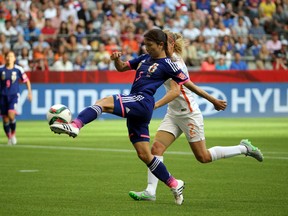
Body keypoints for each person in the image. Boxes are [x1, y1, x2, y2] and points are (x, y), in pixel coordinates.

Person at [49, 29, 227, 205]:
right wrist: (117, 60)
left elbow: (189, 85)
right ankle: (174, 183)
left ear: (161, 45)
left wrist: (213, 100)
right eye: (145, 45)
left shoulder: (170, 64)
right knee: (145, 154)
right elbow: (122, 68)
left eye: (150, 45)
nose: (147, 48)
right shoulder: (144, 58)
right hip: (139, 107)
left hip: (143, 101)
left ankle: (75, 125)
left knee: (103, 102)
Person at [127, 30, 264, 202]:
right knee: (156, 149)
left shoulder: (175, 62)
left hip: (189, 114)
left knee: (203, 157)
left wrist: (153, 105)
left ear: (168, 44)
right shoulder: (160, 60)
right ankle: (150, 191)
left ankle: (244, 149)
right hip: (173, 114)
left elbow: (176, 91)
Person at [0, 51, 32, 145]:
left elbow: (26, 81)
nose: (9, 58)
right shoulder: (1, 69)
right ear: (5, 58)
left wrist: (29, 92)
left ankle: (13, 134)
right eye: (8, 56)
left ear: (14, 58)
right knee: (5, 119)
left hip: (13, 96)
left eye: (11, 56)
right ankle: (9, 137)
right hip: (2, 96)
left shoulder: (18, 69)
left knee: (11, 115)